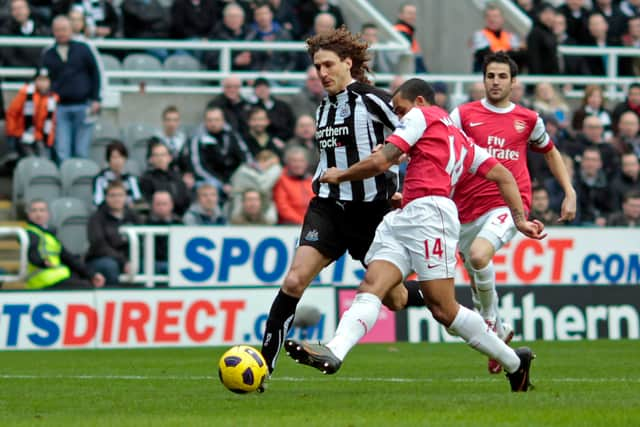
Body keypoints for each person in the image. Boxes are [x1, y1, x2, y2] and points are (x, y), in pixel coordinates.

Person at [286, 78, 545, 392]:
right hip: (407, 214)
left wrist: (340, 175)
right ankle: (335, 350)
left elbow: (381, 161)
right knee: (372, 285)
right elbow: (502, 174)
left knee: (443, 308)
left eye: (399, 109)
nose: (397, 117)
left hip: (431, 214)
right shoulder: (460, 138)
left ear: (419, 101)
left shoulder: (421, 115)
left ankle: (515, 363)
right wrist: (519, 219)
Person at [260, 27, 401, 381]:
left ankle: (443, 300)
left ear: (348, 63)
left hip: (372, 213)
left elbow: (416, 137)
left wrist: (402, 182)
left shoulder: (372, 99)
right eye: (316, 67)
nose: (321, 73)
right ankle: (263, 367)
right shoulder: (323, 108)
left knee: (395, 299)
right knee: (294, 280)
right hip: (328, 208)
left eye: (327, 65)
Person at [447, 52, 576, 373]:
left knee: (479, 257)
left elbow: (550, 153)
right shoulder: (463, 115)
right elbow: (442, 148)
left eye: (502, 76)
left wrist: (569, 191)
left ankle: (490, 327)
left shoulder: (528, 119)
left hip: (509, 205)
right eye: (491, 75)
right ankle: (500, 331)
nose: (495, 82)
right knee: (477, 278)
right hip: (464, 208)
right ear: (483, 78)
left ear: (513, 82)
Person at [41, 15, 101, 163]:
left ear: (71, 30)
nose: (61, 33)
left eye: (64, 29)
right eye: (58, 30)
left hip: (84, 105)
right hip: (60, 108)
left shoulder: (84, 49)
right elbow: (42, 77)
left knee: (81, 151)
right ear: (53, 31)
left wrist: (96, 99)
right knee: (62, 151)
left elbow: (95, 74)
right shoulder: (48, 54)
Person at [24, 198, 105, 290]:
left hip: (56, 277)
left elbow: (69, 258)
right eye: (34, 211)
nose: (38, 214)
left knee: (86, 282)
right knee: (85, 288)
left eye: (42, 210)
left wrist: (91, 274)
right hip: (42, 281)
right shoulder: (29, 233)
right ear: (28, 214)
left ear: (48, 214)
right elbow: (32, 253)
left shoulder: (49, 236)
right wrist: (42, 262)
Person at [86, 180, 140, 287]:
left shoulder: (133, 217)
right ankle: (113, 299)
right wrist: (123, 261)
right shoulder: (96, 218)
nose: (117, 199)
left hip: (128, 258)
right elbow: (99, 246)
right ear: (106, 198)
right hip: (100, 259)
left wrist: (131, 260)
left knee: (149, 265)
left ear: (125, 197)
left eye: (120, 195)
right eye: (113, 195)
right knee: (110, 266)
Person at [5, 67, 58, 158]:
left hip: (41, 137)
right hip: (23, 134)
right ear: (35, 81)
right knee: (30, 158)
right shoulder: (26, 93)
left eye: (45, 80)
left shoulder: (52, 99)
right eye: (40, 80)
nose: (42, 83)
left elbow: (51, 122)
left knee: (44, 157)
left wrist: (48, 141)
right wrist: (12, 133)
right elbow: (12, 113)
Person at [93, 140, 143, 207]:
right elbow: (98, 202)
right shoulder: (100, 179)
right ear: (108, 160)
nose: (117, 161)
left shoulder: (131, 179)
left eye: (120, 157)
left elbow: (137, 200)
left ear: (125, 159)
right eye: (114, 157)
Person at [273, 145, 313, 224]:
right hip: (290, 226)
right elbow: (283, 207)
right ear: (287, 163)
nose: (298, 165)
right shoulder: (281, 180)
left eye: (301, 161)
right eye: (294, 161)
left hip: (312, 224)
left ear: (306, 163)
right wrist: (301, 222)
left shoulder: (312, 180)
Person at [146, 190, 182, 274]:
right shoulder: (146, 223)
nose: (161, 207)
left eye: (164, 204)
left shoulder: (179, 224)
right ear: (152, 206)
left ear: (171, 205)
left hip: (174, 261)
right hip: (154, 261)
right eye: (158, 204)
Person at [393, 3, 427, 73]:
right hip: (409, 70)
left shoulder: (408, 31)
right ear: (400, 15)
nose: (412, 16)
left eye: (414, 14)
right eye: (409, 13)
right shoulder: (400, 32)